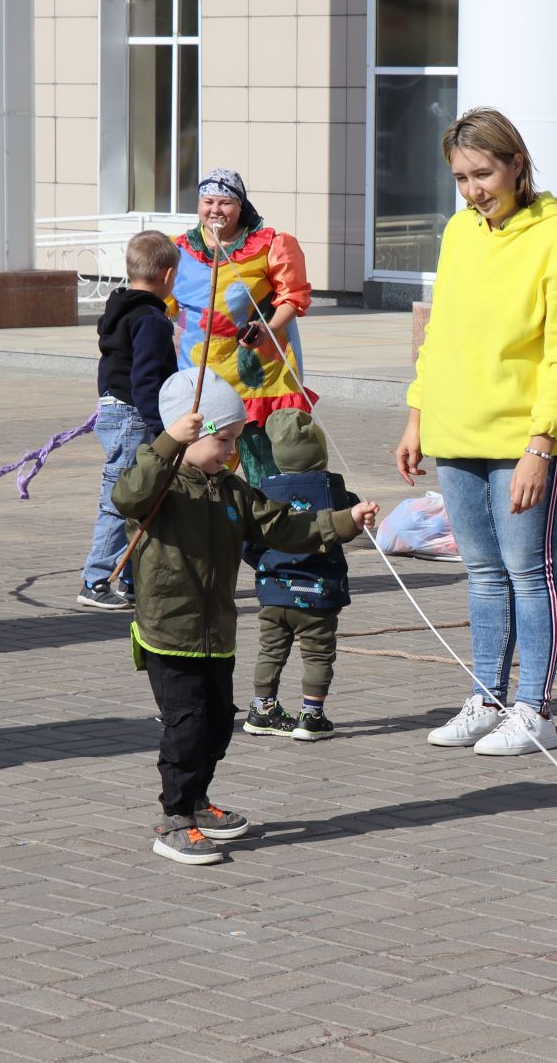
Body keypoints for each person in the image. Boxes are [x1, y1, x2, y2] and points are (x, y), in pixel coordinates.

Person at [395, 107, 557, 757]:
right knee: (482, 572)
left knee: (528, 570)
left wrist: (544, 443)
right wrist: (418, 414)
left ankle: (535, 709)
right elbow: (440, 333)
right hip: (456, 429)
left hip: (523, 438)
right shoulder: (459, 233)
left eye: (484, 172)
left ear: (516, 164)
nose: (474, 188)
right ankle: (486, 699)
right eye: (461, 177)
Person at [115, 368, 376, 865]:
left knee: (216, 726)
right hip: (170, 634)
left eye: (237, 440)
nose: (232, 451)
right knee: (186, 725)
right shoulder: (161, 486)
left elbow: (283, 526)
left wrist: (344, 521)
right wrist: (169, 441)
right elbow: (127, 494)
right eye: (225, 439)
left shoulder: (232, 490)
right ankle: (174, 819)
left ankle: (198, 801)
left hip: (218, 633)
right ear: (192, 432)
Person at [171, 168, 314, 488]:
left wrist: (267, 328)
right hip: (202, 375)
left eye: (225, 203)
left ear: (240, 205)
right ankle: (215, 528)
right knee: (203, 463)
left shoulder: (270, 244)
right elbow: (165, 301)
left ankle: (269, 530)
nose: (215, 210)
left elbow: (294, 296)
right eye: (208, 201)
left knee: (263, 464)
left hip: (257, 377)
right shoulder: (179, 248)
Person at [241, 409, 358, 742]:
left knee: (270, 651)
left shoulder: (262, 494)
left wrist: (265, 564)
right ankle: (312, 715)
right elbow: (348, 524)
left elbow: (247, 543)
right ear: (320, 455)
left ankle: (262, 709)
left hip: (274, 592)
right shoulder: (335, 491)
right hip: (318, 593)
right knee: (318, 652)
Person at [77, 230, 179, 610]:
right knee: (121, 498)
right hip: (136, 417)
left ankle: (134, 581)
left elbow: (110, 368)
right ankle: (95, 579)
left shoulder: (119, 309)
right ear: (168, 275)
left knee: (145, 496)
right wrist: (161, 427)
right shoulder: (151, 321)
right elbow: (145, 379)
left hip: (115, 409)